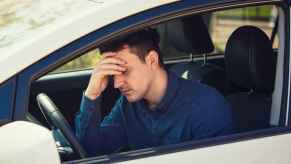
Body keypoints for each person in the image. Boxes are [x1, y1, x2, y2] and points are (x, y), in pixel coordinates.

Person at [75, 28, 233, 156]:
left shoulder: (207, 107)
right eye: (113, 75)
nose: (117, 84)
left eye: (124, 71)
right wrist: (92, 94)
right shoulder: (129, 104)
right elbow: (93, 150)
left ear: (151, 60)